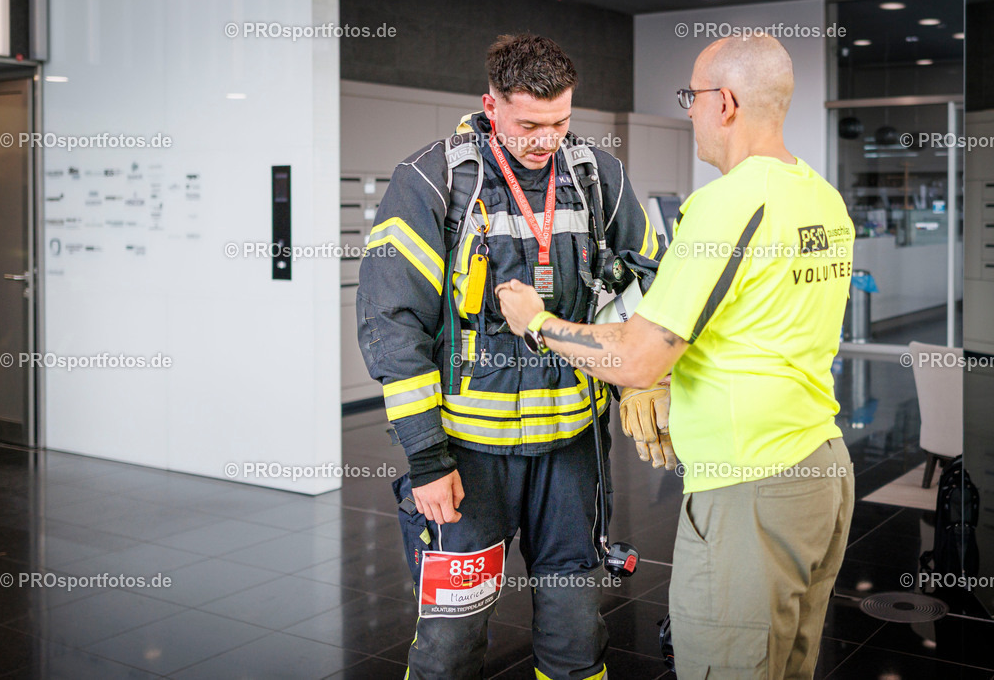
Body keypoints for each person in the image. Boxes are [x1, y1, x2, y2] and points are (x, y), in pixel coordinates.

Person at [497, 34, 856, 679]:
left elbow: (637, 358)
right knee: (787, 666)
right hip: (820, 470)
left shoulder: (727, 204)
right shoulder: (820, 198)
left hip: (749, 486)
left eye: (692, 97)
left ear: (725, 103)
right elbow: (747, 325)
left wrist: (538, 323)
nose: (689, 111)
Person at [357, 34, 665, 679]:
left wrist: (643, 380)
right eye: (529, 125)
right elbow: (392, 325)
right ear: (490, 105)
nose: (546, 140)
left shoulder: (596, 175)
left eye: (560, 122)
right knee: (451, 637)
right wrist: (426, 459)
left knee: (576, 626)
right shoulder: (433, 180)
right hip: (467, 456)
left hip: (573, 446)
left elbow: (647, 283)